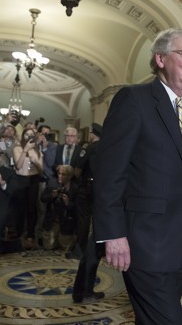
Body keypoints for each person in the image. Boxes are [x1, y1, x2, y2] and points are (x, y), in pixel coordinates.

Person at [92, 28, 182, 324]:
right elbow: (110, 172)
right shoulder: (133, 99)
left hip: (178, 244)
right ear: (160, 58)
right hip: (144, 240)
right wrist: (113, 233)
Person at [71, 123, 105, 302]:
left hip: (93, 193)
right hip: (105, 199)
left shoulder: (91, 148)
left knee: (94, 243)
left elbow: (77, 171)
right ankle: (84, 291)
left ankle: (82, 291)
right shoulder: (109, 148)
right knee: (96, 245)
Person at [12, 128, 43, 249]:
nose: (29, 136)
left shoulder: (37, 150)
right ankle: (19, 234)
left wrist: (36, 161)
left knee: (31, 208)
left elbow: (41, 171)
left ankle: (30, 234)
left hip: (33, 180)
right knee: (20, 208)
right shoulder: (17, 148)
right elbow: (18, 166)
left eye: (31, 134)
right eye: (27, 134)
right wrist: (25, 151)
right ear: (23, 136)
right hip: (20, 179)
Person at [40, 164, 78, 251]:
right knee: (48, 246)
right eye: (59, 174)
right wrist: (52, 195)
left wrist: (68, 203)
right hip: (53, 220)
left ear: (69, 176)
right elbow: (42, 198)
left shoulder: (74, 188)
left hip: (66, 221)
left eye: (63, 174)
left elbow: (78, 208)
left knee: (66, 247)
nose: (60, 176)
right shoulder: (53, 183)